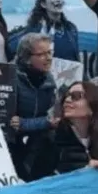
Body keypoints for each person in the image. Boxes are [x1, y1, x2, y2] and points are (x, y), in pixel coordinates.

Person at [29, 81, 98, 178]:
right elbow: (38, 181)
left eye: (76, 96)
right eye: (66, 96)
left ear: (93, 104)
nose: (67, 100)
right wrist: (83, 170)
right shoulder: (52, 138)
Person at [9, 34, 58, 180]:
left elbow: (52, 119)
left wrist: (26, 124)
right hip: (12, 143)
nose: (48, 58)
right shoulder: (9, 77)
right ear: (26, 58)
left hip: (37, 141)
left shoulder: (49, 79)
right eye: (42, 54)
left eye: (49, 53)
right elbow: (8, 123)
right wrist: (43, 123)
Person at [7, 0, 79, 62]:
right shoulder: (35, 29)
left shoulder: (71, 28)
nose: (58, 0)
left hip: (68, 71)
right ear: (43, 4)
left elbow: (75, 57)